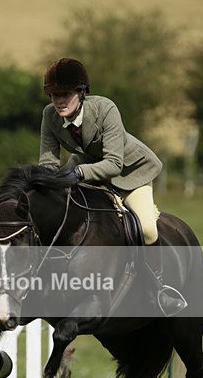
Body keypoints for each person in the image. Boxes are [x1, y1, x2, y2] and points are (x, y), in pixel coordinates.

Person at [39, 57, 186, 316]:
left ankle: (160, 290)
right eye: (53, 95)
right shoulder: (49, 116)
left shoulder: (105, 108)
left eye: (65, 94)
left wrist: (77, 172)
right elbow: (48, 162)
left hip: (130, 172)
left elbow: (114, 163)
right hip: (88, 173)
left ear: (82, 92)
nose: (59, 101)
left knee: (148, 229)